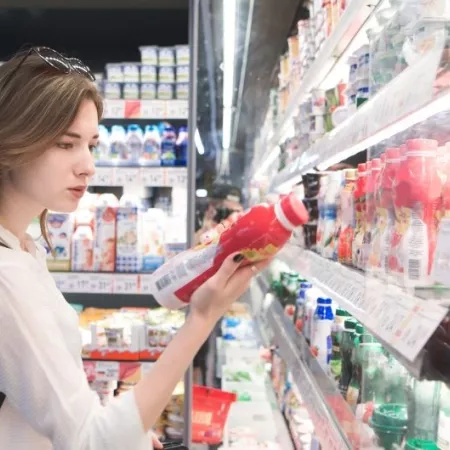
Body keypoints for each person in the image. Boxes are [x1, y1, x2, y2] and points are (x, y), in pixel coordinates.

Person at [0, 46, 269, 450]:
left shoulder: (24, 247)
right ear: (14, 140)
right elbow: (90, 441)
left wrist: (126, 428)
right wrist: (203, 316)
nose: (88, 164)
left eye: (91, 144)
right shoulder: (7, 274)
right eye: (65, 144)